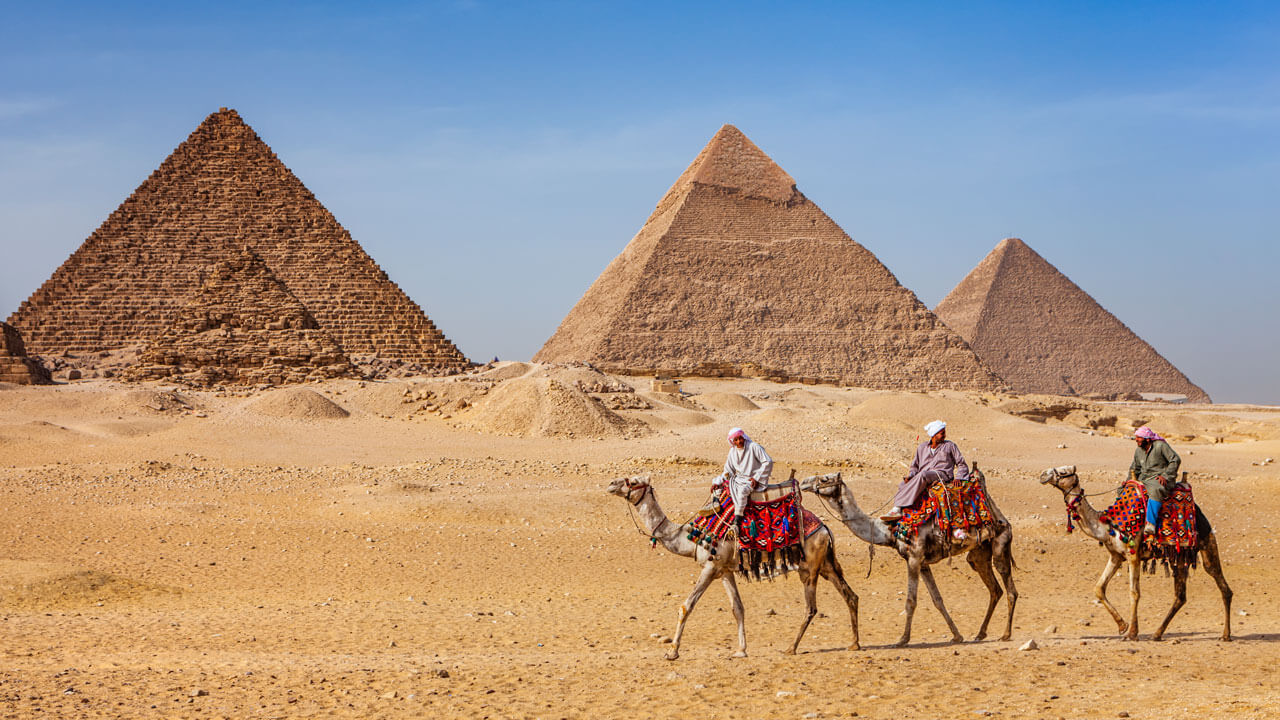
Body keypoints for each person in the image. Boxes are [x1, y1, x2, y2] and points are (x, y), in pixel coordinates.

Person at [881, 420, 970, 539]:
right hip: (922, 476)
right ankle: (901, 512)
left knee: (923, 475)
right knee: (903, 483)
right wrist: (911, 476)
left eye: (944, 432)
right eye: (941, 433)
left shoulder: (950, 446)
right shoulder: (922, 447)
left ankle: (897, 507)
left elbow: (961, 463)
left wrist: (959, 477)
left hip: (941, 475)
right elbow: (914, 467)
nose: (944, 435)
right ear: (933, 435)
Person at [713, 427, 773, 527]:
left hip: (751, 480)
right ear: (732, 441)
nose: (739, 441)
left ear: (744, 437)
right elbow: (728, 470)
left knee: (742, 492)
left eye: (740, 438)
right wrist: (717, 482)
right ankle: (715, 509)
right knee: (719, 487)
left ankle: (737, 520)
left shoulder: (753, 447)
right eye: (736, 440)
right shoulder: (732, 452)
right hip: (738, 479)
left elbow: (768, 461)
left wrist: (756, 477)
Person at [1130, 425, 1181, 535]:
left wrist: (1166, 475)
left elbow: (1175, 460)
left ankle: (1150, 524)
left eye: (1139, 438)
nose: (1136, 440)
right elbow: (1135, 468)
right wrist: (1128, 481)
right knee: (1124, 490)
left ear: (1147, 439)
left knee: (1156, 489)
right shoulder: (1139, 451)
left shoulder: (1160, 446)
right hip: (1144, 479)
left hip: (1161, 479)